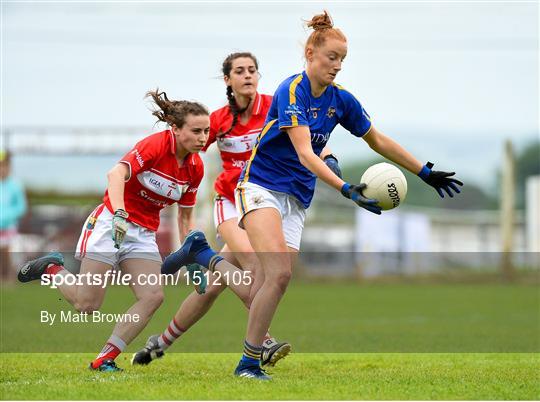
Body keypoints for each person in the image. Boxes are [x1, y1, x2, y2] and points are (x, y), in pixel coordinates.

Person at [230, 11, 463, 379]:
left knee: (276, 278)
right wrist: (345, 189)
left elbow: (378, 139)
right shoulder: (293, 90)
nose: (337, 66)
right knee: (276, 274)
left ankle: (208, 261)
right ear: (310, 53)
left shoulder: (342, 100)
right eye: (331, 57)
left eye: (342, 60)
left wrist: (423, 172)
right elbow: (306, 153)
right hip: (261, 187)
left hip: (297, 197)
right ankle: (247, 363)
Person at [132, 52, 338, 368]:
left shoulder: (276, 105)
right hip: (230, 201)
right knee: (256, 267)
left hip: (262, 202)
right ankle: (264, 342)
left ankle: (158, 344)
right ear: (228, 80)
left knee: (214, 286)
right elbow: (190, 145)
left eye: (252, 70)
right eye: (239, 71)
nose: (247, 76)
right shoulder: (218, 120)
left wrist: (328, 156)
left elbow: (310, 137)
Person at [17, 90, 213, 371]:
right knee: (87, 304)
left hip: (143, 234)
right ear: (176, 129)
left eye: (206, 131)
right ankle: (51, 269)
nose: (203, 137)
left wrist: (191, 256)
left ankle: (105, 359)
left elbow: (184, 218)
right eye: (196, 131)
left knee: (153, 296)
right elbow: (115, 174)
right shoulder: (155, 146)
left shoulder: (195, 168)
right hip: (111, 223)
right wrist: (120, 213)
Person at [0, 150, 27, 283]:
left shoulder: (15, 185)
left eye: (4, 166)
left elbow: (21, 207)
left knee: (8, 254)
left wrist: (7, 217)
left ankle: (10, 280)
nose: (2, 169)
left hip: (8, 227)